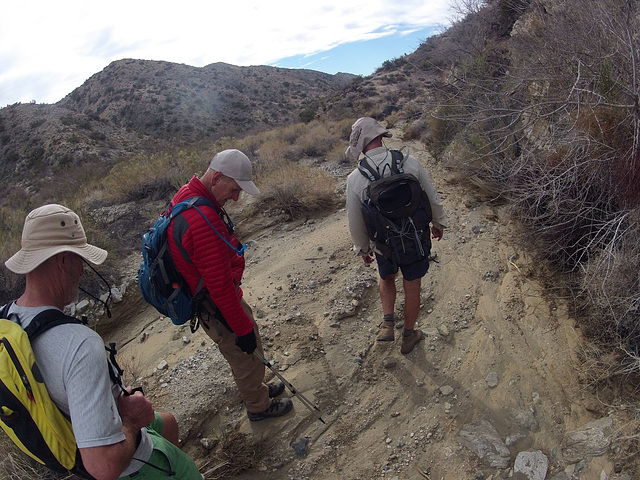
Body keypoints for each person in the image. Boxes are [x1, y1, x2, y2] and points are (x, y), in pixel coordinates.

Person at [3, 204, 202, 480]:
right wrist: (130, 421)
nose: (83, 272)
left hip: (77, 432)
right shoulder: (79, 345)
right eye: (79, 261)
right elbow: (104, 467)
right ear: (63, 261)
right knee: (186, 470)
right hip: (130, 466)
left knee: (166, 423)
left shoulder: (8, 321)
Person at [167, 149, 293, 421]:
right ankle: (258, 407)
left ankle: (257, 391)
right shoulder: (201, 220)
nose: (236, 198)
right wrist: (243, 329)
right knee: (244, 353)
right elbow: (221, 289)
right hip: (215, 304)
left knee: (247, 346)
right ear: (218, 178)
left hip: (208, 297)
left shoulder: (187, 193)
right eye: (234, 189)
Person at [345, 117, 449, 355]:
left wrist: (362, 249)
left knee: (387, 276)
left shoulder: (355, 179)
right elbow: (431, 196)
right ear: (381, 137)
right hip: (415, 240)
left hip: (384, 244)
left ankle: (388, 323)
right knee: (413, 287)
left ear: (360, 144)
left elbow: (355, 219)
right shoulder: (409, 162)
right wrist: (438, 222)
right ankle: (409, 336)